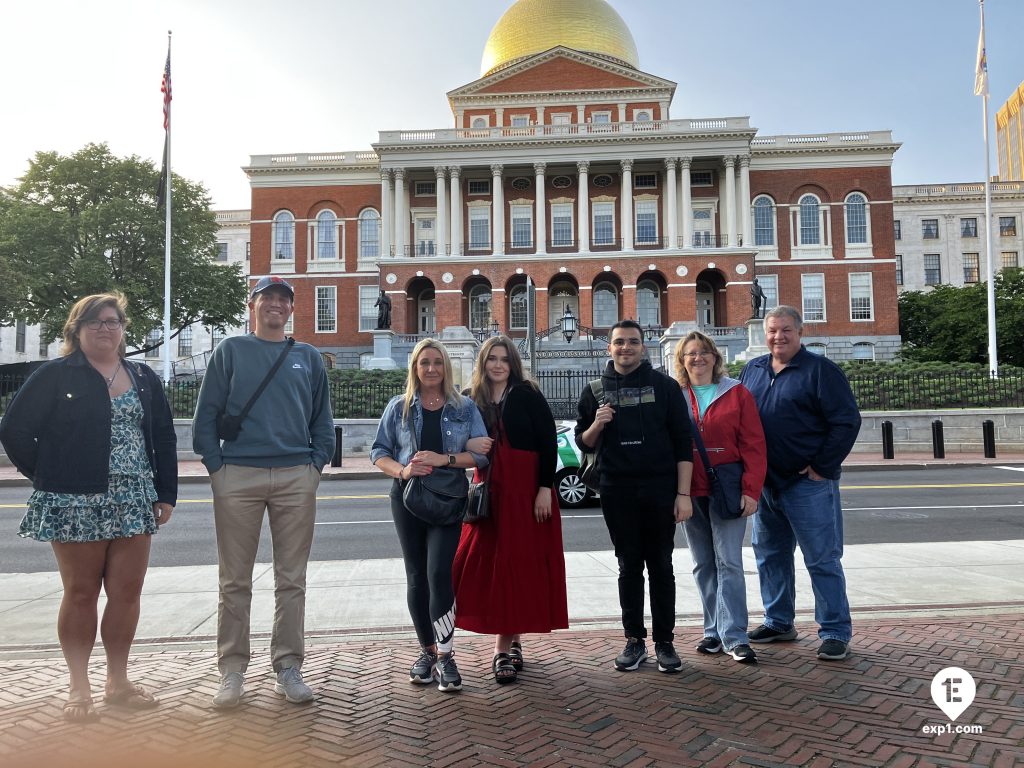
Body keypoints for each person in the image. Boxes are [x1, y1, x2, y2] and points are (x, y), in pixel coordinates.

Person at [0, 293, 177, 722]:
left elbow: (164, 436)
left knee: (126, 593)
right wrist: (48, 474)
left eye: (112, 321)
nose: (104, 328)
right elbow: (14, 429)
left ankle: (118, 681)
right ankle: (79, 687)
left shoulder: (142, 376)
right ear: (76, 331)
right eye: (94, 322)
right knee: (81, 593)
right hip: (74, 499)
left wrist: (165, 493)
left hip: (134, 499)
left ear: (123, 328)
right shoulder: (55, 374)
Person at [193, 275, 335, 708]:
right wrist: (218, 470)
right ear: (253, 304)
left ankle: (288, 666)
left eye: (282, 300)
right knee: (234, 581)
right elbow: (205, 417)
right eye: (267, 298)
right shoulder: (231, 351)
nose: (275, 304)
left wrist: (315, 466)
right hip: (238, 475)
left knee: (291, 580)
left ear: (291, 309)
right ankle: (232, 670)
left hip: (296, 476)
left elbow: (321, 419)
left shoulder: (307, 357)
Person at [739, 305, 861, 661]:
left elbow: (846, 422)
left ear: (800, 332)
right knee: (769, 556)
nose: (778, 337)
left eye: (786, 330)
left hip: (807, 484)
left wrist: (822, 466)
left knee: (822, 559)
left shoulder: (821, 371)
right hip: (765, 484)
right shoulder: (754, 369)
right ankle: (779, 621)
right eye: (773, 330)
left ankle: (835, 630)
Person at [370, 339, 491, 692]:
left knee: (440, 573)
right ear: (415, 368)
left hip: (448, 499)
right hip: (406, 498)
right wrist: (403, 471)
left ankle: (447, 655)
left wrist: (445, 459)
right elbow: (380, 451)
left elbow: (482, 456)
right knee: (416, 577)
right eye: (425, 363)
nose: (432, 369)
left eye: (438, 362)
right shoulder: (400, 407)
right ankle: (427, 651)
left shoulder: (464, 407)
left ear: (446, 367)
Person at [575, 319, 694, 673]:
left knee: (661, 565)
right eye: (619, 343)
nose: (625, 348)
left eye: (632, 342)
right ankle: (634, 639)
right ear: (609, 348)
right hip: (617, 489)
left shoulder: (666, 387)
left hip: (659, 488)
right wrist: (598, 422)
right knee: (628, 566)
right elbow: (584, 442)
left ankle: (665, 642)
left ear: (643, 347)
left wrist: (683, 494)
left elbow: (682, 444)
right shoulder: (595, 390)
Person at [452, 336, 568, 684]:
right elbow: (456, 442)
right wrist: (471, 443)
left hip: (526, 490)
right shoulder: (472, 400)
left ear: (512, 363)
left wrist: (545, 489)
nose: (498, 365)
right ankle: (512, 640)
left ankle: (502, 649)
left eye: (504, 359)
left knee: (518, 565)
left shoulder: (528, 394)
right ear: (483, 363)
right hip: (489, 491)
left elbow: (548, 442)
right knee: (483, 566)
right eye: (492, 359)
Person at [674, 331, 766, 664]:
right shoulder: (676, 395)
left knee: (729, 561)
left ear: (715, 357)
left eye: (703, 352)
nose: (697, 359)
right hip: (689, 488)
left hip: (727, 486)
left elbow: (754, 444)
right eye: (690, 354)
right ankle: (712, 630)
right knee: (702, 563)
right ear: (682, 361)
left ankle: (736, 635)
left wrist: (751, 490)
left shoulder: (737, 393)